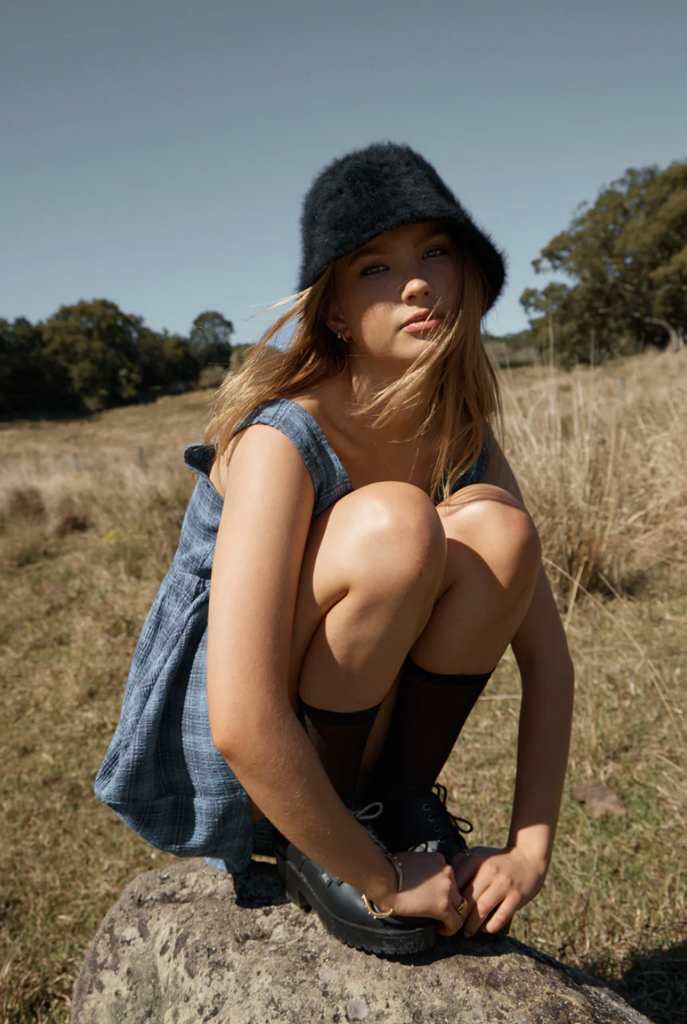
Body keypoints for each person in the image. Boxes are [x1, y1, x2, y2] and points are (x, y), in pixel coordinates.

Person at [95, 142, 574, 956]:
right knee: (396, 525)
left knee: (499, 532)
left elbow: (548, 661)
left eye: (434, 253)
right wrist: (379, 879)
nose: (415, 283)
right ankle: (317, 838)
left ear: (467, 276)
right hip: (252, 757)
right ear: (336, 314)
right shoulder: (281, 438)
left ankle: (394, 801)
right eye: (374, 268)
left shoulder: (464, 438)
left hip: (362, 745)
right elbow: (240, 721)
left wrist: (529, 849)